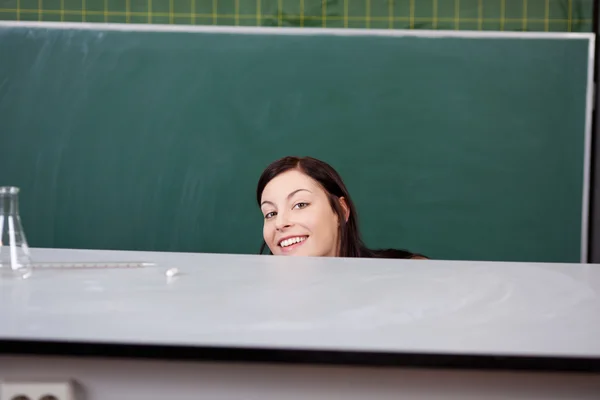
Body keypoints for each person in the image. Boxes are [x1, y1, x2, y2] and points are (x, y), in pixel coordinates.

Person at [256, 156, 427, 259]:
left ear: (341, 210)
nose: (280, 222)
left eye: (300, 204)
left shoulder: (411, 274)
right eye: (271, 213)